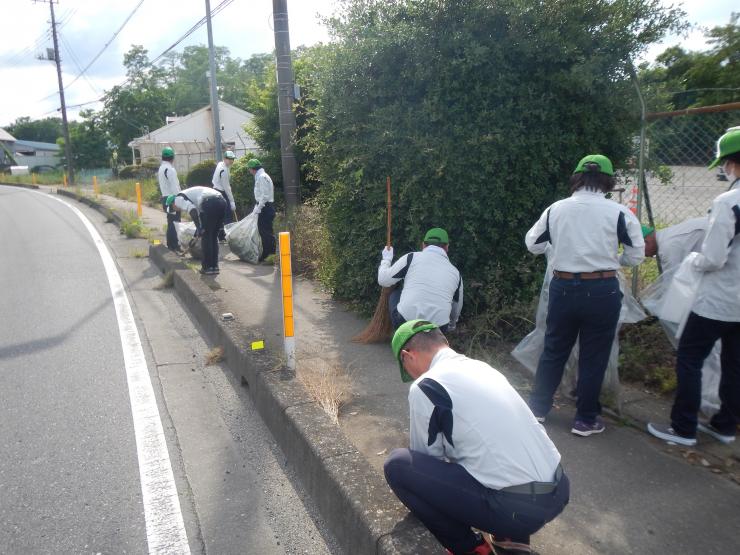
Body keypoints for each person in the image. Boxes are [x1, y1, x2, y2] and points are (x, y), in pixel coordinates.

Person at [384, 320, 569, 555]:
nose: (412, 376)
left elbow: (426, 458)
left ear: (407, 356)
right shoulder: (482, 368)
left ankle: (471, 548)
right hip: (558, 490)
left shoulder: (426, 385)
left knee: (399, 465)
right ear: (445, 343)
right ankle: (511, 541)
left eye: (406, 369)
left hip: (517, 509)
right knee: (486, 454)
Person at [525, 154, 644, 436]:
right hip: (602, 289)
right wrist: (614, 262)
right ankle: (586, 419)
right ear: (608, 181)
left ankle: (538, 409)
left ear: (577, 178)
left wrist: (557, 250)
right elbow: (636, 254)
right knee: (594, 355)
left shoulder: (556, 209)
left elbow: (533, 244)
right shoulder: (619, 213)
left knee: (554, 349)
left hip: (563, 286)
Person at [648, 128, 740, 446]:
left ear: (731, 162)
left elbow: (713, 258)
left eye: (726, 164)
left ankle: (683, 427)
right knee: (734, 363)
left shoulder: (729, 201)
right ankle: (725, 426)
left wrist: (694, 261)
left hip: (717, 299)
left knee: (689, 357)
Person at [378, 228, 463, 332]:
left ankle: (401, 338)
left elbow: (383, 280)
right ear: (447, 247)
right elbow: (456, 306)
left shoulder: (411, 258)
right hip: (439, 327)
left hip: (406, 321)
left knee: (395, 294)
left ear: (423, 245)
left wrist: (386, 259)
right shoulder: (456, 273)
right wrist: (452, 325)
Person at [166, 186, 226, 275]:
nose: (177, 210)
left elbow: (192, 210)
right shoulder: (193, 197)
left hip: (209, 202)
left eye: (173, 209)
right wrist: (196, 234)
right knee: (213, 236)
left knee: (207, 237)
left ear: (172, 204)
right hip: (221, 201)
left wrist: (199, 228)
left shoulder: (178, 198)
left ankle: (207, 267)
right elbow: (201, 220)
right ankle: (214, 267)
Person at [247, 158, 275, 262]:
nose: (249, 171)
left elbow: (265, 195)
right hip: (265, 206)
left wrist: (259, 207)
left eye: (249, 169)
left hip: (265, 207)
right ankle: (268, 254)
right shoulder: (262, 176)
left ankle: (269, 255)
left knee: (266, 231)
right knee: (265, 231)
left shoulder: (262, 177)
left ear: (252, 169)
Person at [157, 146, 181, 251]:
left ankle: (171, 245)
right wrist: (179, 199)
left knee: (171, 221)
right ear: (172, 157)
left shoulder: (161, 168)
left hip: (165, 198)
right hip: (172, 198)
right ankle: (174, 246)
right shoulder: (170, 169)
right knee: (175, 222)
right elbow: (175, 186)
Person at [211, 150, 237, 242]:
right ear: (224, 159)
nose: (231, 161)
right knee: (227, 214)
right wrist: (232, 201)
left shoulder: (221, 164)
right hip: (221, 192)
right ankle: (227, 236)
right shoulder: (224, 170)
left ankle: (221, 236)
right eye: (229, 159)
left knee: (220, 215)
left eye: (232, 159)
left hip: (216, 191)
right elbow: (227, 188)